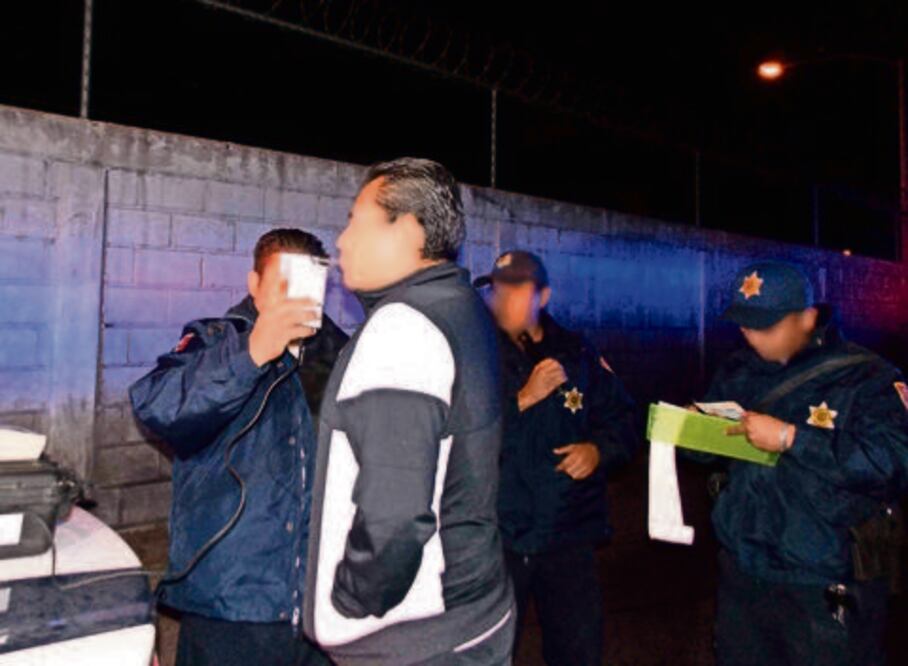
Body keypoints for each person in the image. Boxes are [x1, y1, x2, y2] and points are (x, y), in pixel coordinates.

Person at [302, 158, 515, 666]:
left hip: (415, 640)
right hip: (470, 611)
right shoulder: (460, 307)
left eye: (356, 220)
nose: (342, 241)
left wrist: (352, 603)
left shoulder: (404, 328)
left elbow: (394, 519)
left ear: (409, 229)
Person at [129, 228, 347, 666]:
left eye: (310, 284)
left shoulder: (341, 354)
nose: (297, 299)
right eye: (283, 284)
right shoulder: (216, 340)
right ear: (254, 285)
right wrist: (251, 354)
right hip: (232, 600)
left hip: (318, 603)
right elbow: (156, 404)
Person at [698, 261, 908, 666]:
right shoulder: (738, 370)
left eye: (767, 326)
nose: (752, 336)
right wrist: (695, 430)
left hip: (822, 579)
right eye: (744, 325)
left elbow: (893, 462)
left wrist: (791, 438)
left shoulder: (866, 377)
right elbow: (704, 455)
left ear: (808, 318)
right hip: (744, 570)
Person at [474, 250, 638, 666]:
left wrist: (598, 452)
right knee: (489, 652)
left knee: (577, 650)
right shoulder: (475, 353)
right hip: (500, 534)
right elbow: (459, 434)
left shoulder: (578, 354)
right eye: (497, 289)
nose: (504, 299)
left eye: (517, 290)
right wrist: (523, 399)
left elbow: (623, 420)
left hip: (567, 532)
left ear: (542, 296)